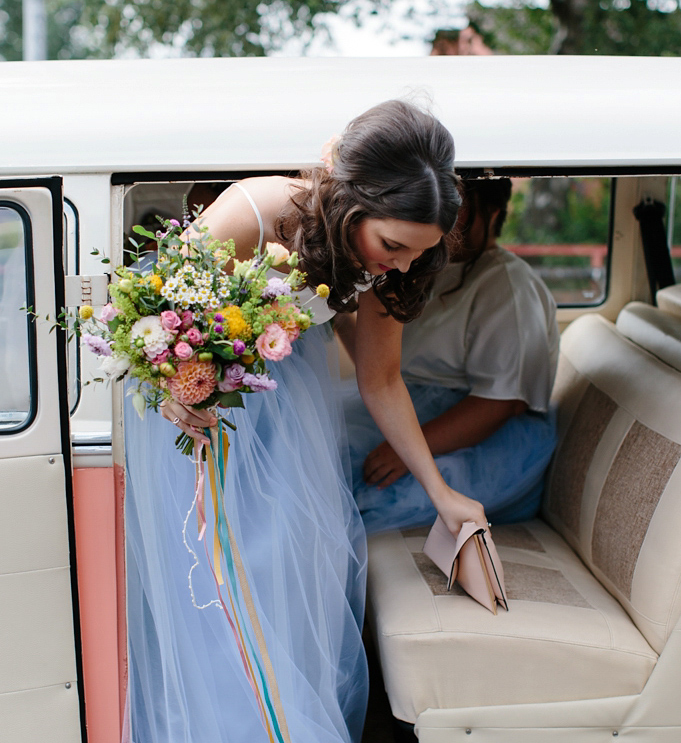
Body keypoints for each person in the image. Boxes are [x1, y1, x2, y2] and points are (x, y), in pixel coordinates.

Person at [123, 100, 486, 743]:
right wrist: (181, 386)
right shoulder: (256, 211)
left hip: (290, 418)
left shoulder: (387, 264)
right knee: (220, 585)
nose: (400, 265)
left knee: (296, 577)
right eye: (393, 246)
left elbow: (380, 379)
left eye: (417, 253)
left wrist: (442, 492)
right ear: (352, 204)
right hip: (204, 419)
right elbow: (154, 322)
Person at [337, 178, 560, 535]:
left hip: (480, 437)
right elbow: (386, 370)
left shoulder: (508, 284)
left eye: (459, 203)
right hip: (417, 407)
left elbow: (502, 403)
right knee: (322, 448)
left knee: (346, 485)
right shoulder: (418, 267)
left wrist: (403, 452)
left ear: (493, 212)